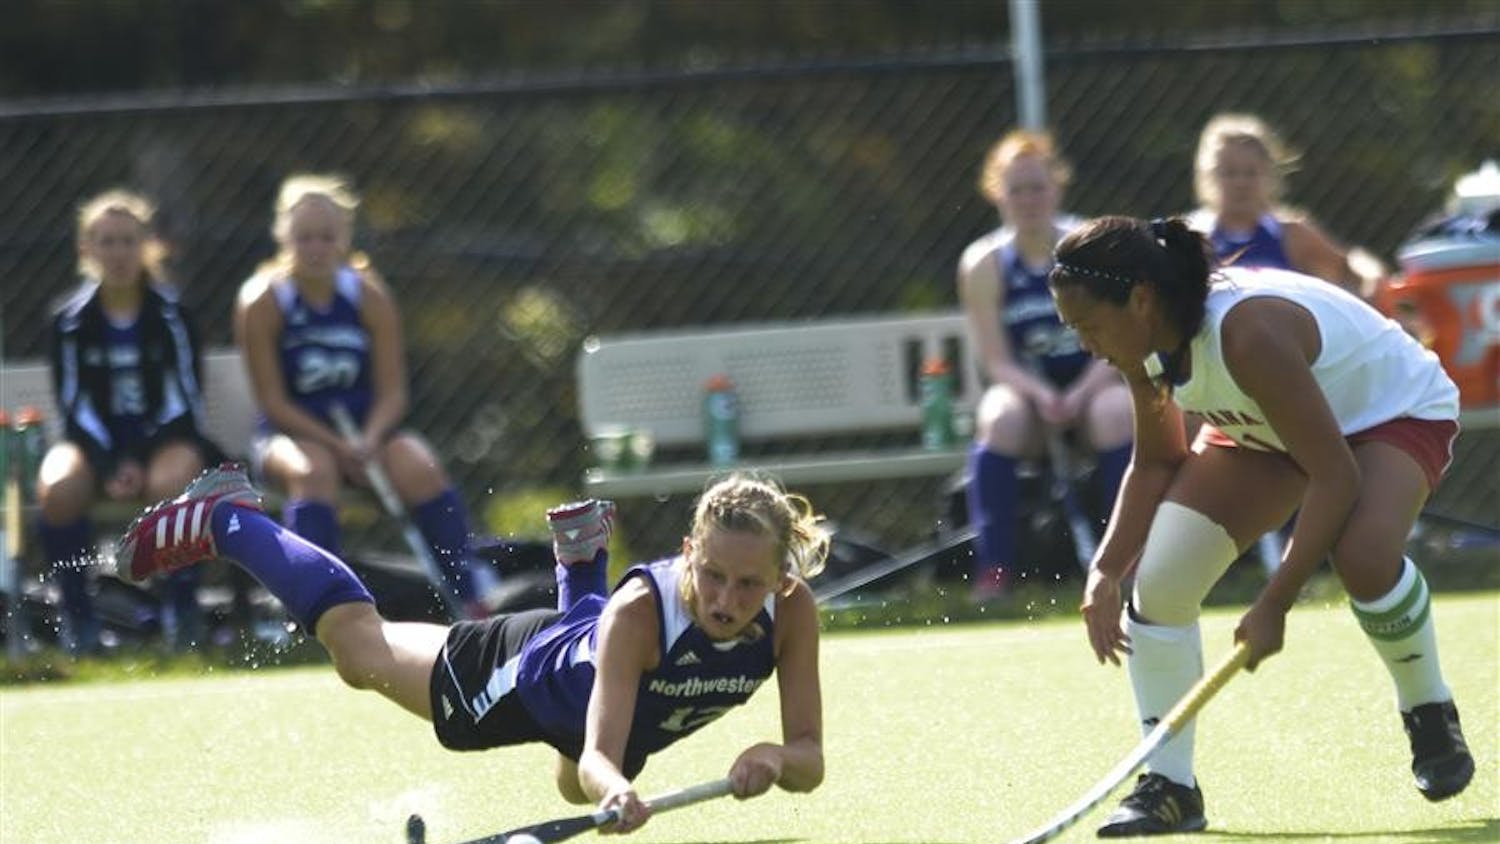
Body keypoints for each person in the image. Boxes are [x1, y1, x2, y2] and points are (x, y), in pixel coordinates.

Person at [1049, 216, 1473, 837]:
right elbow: (1158, 458)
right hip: (1266, 425)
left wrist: (1276, 601)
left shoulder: (1247, 336)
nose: (1086, 344)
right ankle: (1170, 788)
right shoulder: (1139, 343)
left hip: (1385, 412)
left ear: (1140, 298)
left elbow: (1335, 475)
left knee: (1362, 558)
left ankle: (1427, 706)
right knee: (1161, 583)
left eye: (1087, 325)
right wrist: (1107, 568)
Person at [116, 466, 827, 833]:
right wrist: (614, 790)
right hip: (518, 677)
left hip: (604, 684)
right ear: (686, 556)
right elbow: (597, 760)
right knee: (360, 654)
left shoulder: (792, 614)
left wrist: (775, 758)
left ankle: (580, 570)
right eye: (713, 577)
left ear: (778, 578)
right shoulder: (644, 615)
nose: (728, 601)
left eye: (748, 584)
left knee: (564, 766)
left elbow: (809, 760)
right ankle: (233, 520)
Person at [234, 173, 498, 619]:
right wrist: (338, 447)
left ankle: (468, 597)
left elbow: (394, 392)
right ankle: (316, 607)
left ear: (345, 237)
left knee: (420, 465)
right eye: (304, 238)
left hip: (366, 435)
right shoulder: (262, 300)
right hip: (292, 437)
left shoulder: (370, 295)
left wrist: (369, 440)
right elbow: (273, 402)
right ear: (283, 236)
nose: (316, 247)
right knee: (313, 471)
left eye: (326, 237)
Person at [38, 189, 224, 653]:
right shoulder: (69, 320)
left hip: (166, 441)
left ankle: (180, 614)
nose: (118, 252)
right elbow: (74, 405)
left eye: (127, 240)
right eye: (106, 241)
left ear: (147, 245)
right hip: (96, 446)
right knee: (57, 489)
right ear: (87, 249)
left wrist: (139, 457)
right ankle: (79, 622)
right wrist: (106, 464)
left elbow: (185, 398)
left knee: (175, 482)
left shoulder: (172, 314)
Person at [957, 130, 1132, 598]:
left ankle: (1130, 562)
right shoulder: (984, 263)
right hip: (1033, 401)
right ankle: (995, 570)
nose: (1028, 199)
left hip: (1095, 386)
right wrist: (1043, 397)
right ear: (997, 193)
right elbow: (996, 360)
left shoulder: (1090, 246)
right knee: (999, 417)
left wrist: (1079, 393)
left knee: (1118, 412)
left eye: (1038, 187)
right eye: (1016, 189)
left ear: (1057, 187)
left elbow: (1120, 341)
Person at [1187, 113, 1386, 300]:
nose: (1241, 183)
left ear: (1269, 174)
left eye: (1251, 173)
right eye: (1229, 173)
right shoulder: (1194, 238)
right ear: (1207, 175)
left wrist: (1373, 277)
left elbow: (1350, 268)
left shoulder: (1289, 233)